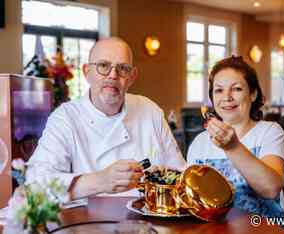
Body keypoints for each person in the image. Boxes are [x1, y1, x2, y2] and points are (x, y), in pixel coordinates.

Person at [27, 37, 186, 200]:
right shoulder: (65, 118)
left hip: (147, 222)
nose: (113, 75)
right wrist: (102, 181)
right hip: (85, 222)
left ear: (132, 76)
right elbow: (35, 185)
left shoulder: (149, 111)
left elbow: (181, 176)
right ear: (86, 72)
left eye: (123, 68)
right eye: (103, 66)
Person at [187, 55, 284, 228]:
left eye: (236, 89)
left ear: (253, 94)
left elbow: (270, 189)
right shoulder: (200, 143)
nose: (227, 97)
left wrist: (233, 147)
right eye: (218, 90)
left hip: (266, 230)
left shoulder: (269, 132)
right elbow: (192, 200)